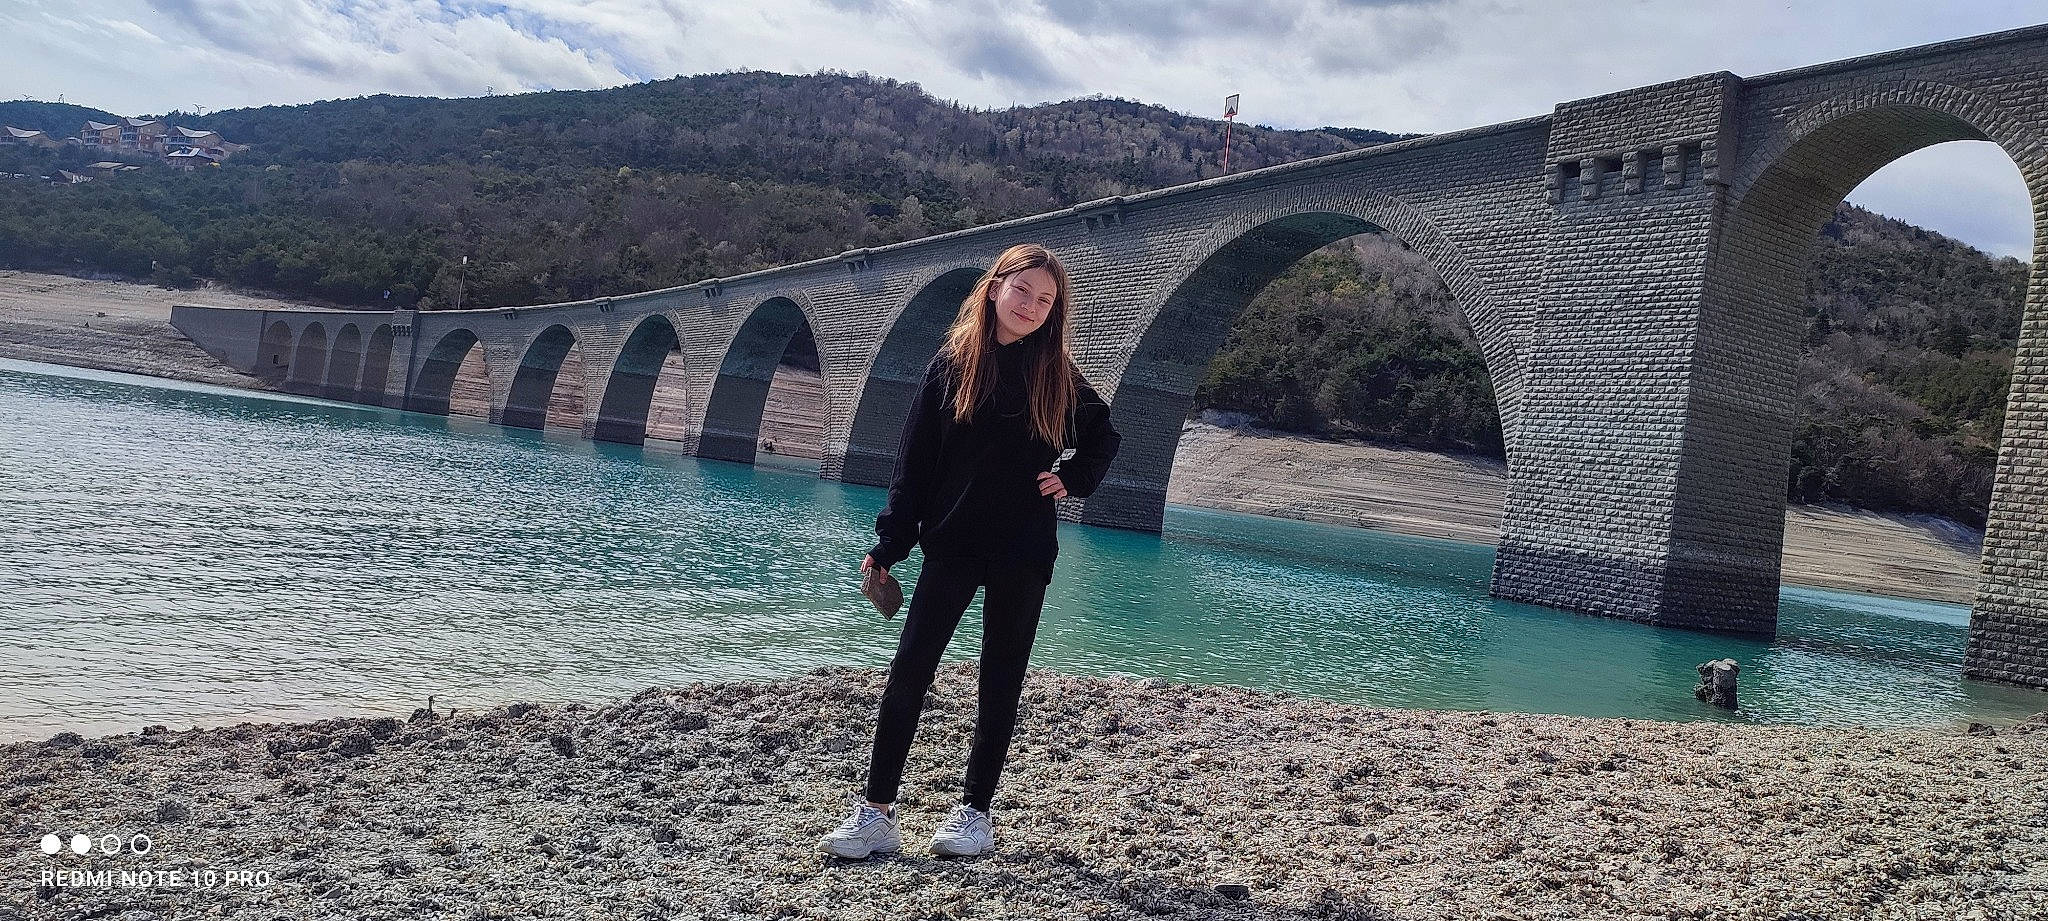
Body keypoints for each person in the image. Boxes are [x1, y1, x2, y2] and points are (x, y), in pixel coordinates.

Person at [819, 243, 1122, 859]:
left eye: (1046, 301)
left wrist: (1074, 478)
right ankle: (877, 812)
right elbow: (916, 464)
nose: (1032, 307)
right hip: (952, 544)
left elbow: (1104, 436)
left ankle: (975, 814)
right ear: (994, 287)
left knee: (1000, 680)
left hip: (1023, 549)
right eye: (1023, 291)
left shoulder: (1059, 375)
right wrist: (892, 541)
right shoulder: (952, 365)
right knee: (910, 670)